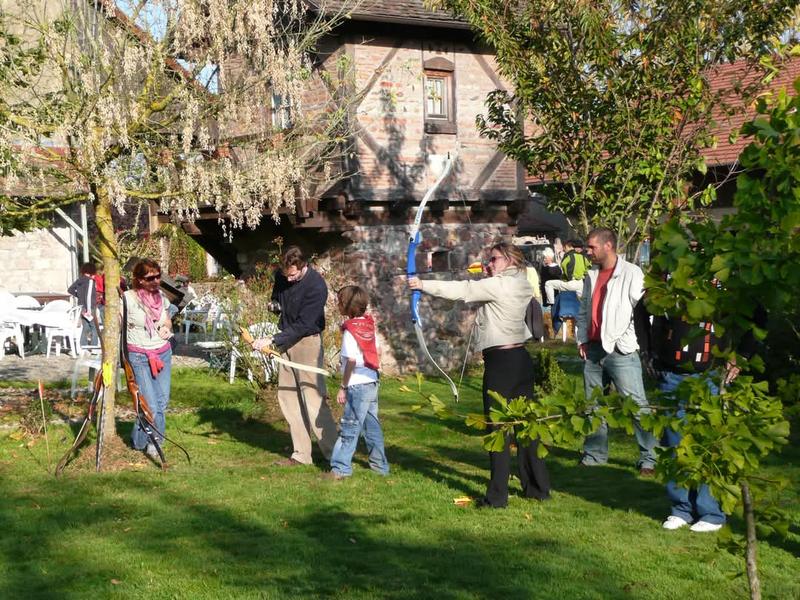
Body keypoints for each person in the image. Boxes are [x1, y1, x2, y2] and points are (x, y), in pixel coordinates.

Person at [409, 242, 551, 508]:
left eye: (494, 259)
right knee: (526, 427)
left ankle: (497, 497)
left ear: (510, 259)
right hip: (520, 360)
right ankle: (538, 488)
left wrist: (421, 284)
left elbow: (463, 290)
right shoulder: (521, 281)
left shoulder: (498, 285)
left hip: (502, 364)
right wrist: (488, 275)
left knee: (497, 430)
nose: (489, 264)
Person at [577, 228, 657, 476]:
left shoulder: (631, 273)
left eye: (592, 247)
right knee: (593, 406)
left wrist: (627, 339)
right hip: (593, 349)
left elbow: (643, 312)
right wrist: (582, 338)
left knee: (636, 406)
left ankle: (649, 459)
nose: (587, 251)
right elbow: (584, 310)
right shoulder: (591, 274)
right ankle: (594, 455)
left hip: (622, 352)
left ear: (608, 245)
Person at [253, 246, 337, 466]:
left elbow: (304, 325)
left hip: (307, 341)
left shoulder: (316, 286)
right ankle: (301, 454)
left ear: (303, 266)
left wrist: (271, 340)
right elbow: (277, 297)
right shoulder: (282, 277)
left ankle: (335, 456)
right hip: (286, 340)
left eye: (293, 275)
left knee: (313, 397)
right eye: (285, 275)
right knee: (288, 397)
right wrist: (274, 305)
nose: (289, 279)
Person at [325, 285, 389, 479]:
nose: (337, 305)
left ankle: (340, 469)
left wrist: (343, 386)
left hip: (357, 384)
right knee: (372, 427)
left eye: (339, 301)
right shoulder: (368, 326)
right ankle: (380, 467)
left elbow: (351, 361)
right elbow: (374, 352)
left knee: (349, 428)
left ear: (346, 305)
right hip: (371, 380)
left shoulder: (350, 331)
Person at [124, 259, 175, 459]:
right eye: (150, 278)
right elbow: (117, 326)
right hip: (139, 356)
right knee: (150, 405)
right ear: (139, 280)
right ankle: (155, 443)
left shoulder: (161, 297)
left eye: (157, 276)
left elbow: (168, 319)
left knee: (161, 403)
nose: (155, 281)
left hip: (162, 352)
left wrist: (166, 327)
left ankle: (139, 440)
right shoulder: (128, 299)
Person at [544, 239, 591, 305]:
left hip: (570, 282)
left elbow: (564, 267)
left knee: (548, 284)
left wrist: (566, 278)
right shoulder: (582, 256)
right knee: (582, 303)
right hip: (580, 283)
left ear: (568, 246)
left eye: (564, 247)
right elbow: (588, 268)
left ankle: (551, 303)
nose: (564, 249)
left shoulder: (567, 256)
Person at [68, 262, 98, 347]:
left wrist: (78, 296)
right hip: (89, 307)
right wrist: (89, 309)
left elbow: (70, 290)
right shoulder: (90, 281)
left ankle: (83, 345)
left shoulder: (79, 280)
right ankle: (94, 346)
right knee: (94, 327)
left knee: (85, 326)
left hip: (81, 307)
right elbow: (88, 296)